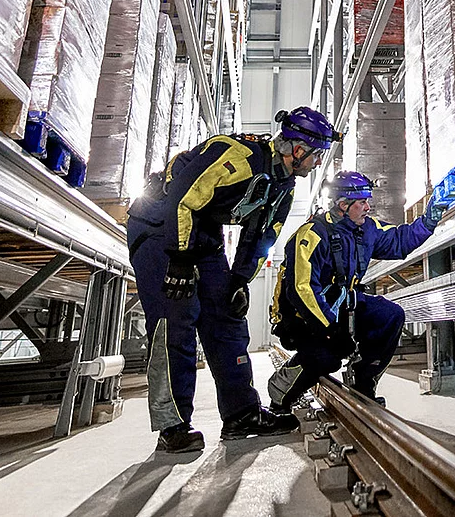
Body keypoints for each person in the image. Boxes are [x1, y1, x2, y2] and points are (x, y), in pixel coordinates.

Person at [127, 106, 340, 453]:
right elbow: (182, 197)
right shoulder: (239, 156)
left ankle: (241, 414)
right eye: (316, 155)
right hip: (159, 224)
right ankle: (172, 425)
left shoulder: (283, 187)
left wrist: (239, 280)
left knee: (226, 317)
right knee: (175, 319)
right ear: (298, 149)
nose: (317, 163)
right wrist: (179, 259)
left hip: (203, 231)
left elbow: (261, 237)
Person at [266, 171, 447, 411]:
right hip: (303, 316)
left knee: (389, 315)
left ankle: (363, 383)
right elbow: (302, 289)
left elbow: (398, 240)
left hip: (338, 305)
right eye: (362, 202)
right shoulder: (312, 234)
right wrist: (331, 331)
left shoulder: (365, 229)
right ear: (343, 205)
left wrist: (429, 221)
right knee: (326, 358)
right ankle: (280, 394)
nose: (368, 207)